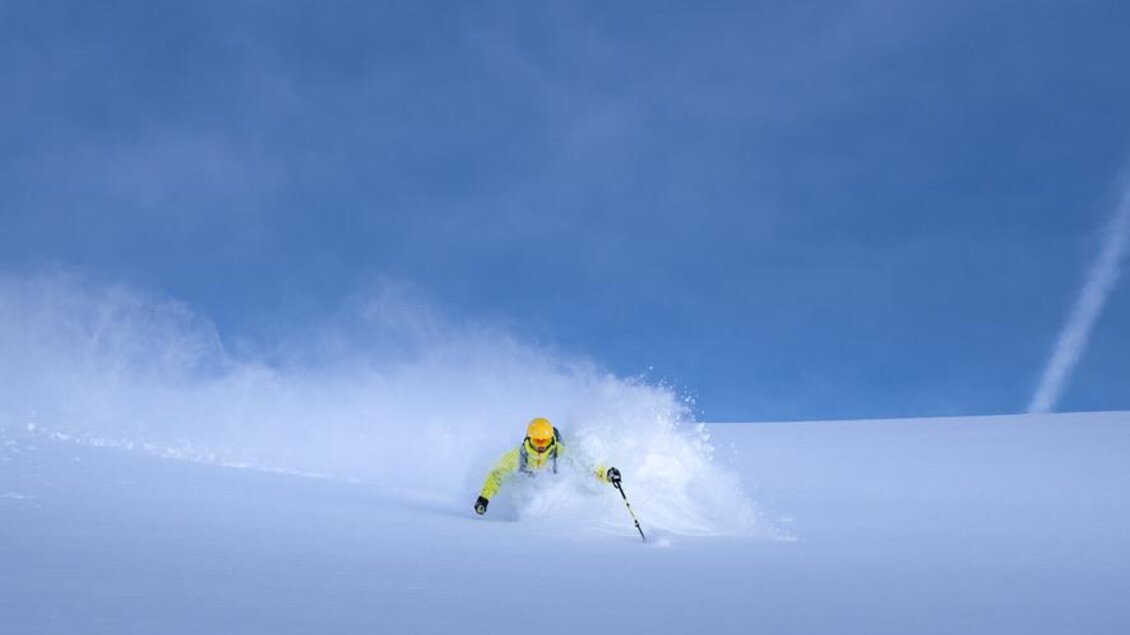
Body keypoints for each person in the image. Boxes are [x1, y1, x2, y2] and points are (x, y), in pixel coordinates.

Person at [473, 417, 621, 515]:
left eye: (545, 441)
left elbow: (586, 465)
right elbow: (496, 474)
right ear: (529, 438)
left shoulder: (560, 451)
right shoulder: (517, 456)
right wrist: (484, 497)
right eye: (538, 441)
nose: (541, 446)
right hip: (524, 483)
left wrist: (607, 474)